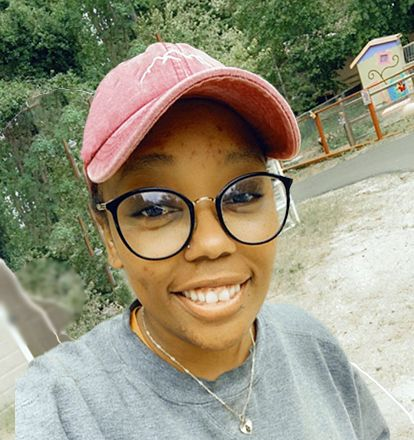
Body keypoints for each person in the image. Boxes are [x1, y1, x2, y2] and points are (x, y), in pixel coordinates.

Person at [15, 42, 389, 440]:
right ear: (108, 233)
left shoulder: (313, 347)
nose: (212, 243)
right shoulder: (66, 406)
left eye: (242, 194)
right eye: (154, 207)